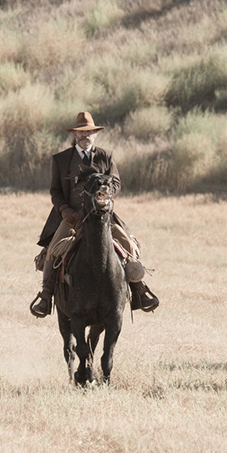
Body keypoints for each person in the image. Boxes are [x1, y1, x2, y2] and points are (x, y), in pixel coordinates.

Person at [30, 112, 159, 317]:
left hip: (102, 217)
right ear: (75, 134)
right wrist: (65, 210)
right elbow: (55, 191)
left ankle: (139, 290)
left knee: (128, 246)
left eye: (89, 131)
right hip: (72, 219)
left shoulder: (106, 156)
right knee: (53, 250)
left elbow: (115, 182)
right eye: (81, 132)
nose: (86, 135)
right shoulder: (61, 159)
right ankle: (45, 296)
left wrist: (105, 194)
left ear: (95, 134)